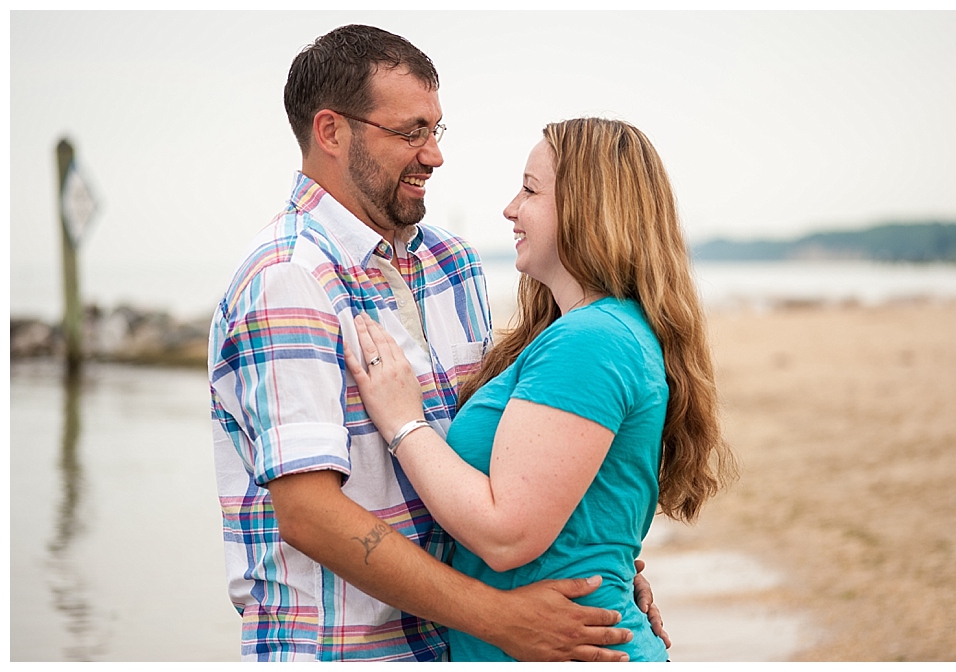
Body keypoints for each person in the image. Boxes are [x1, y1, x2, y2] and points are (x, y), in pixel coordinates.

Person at [208, 26, 667, 662]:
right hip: (345, 652)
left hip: (456, 647)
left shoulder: (454, 265)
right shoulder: (289, 277)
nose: (434, 155)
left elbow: (516, 462)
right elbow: (309, 514)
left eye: (436, 130)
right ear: (332, 131)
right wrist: (501, 618)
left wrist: (604, 563)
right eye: (410, 132)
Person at [345, 117, 739, 661]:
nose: (510, 208)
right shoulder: (589, 332)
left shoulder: (592, 339)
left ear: (587, 207)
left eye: (530, 190)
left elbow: (508, 535)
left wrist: (402, 421)